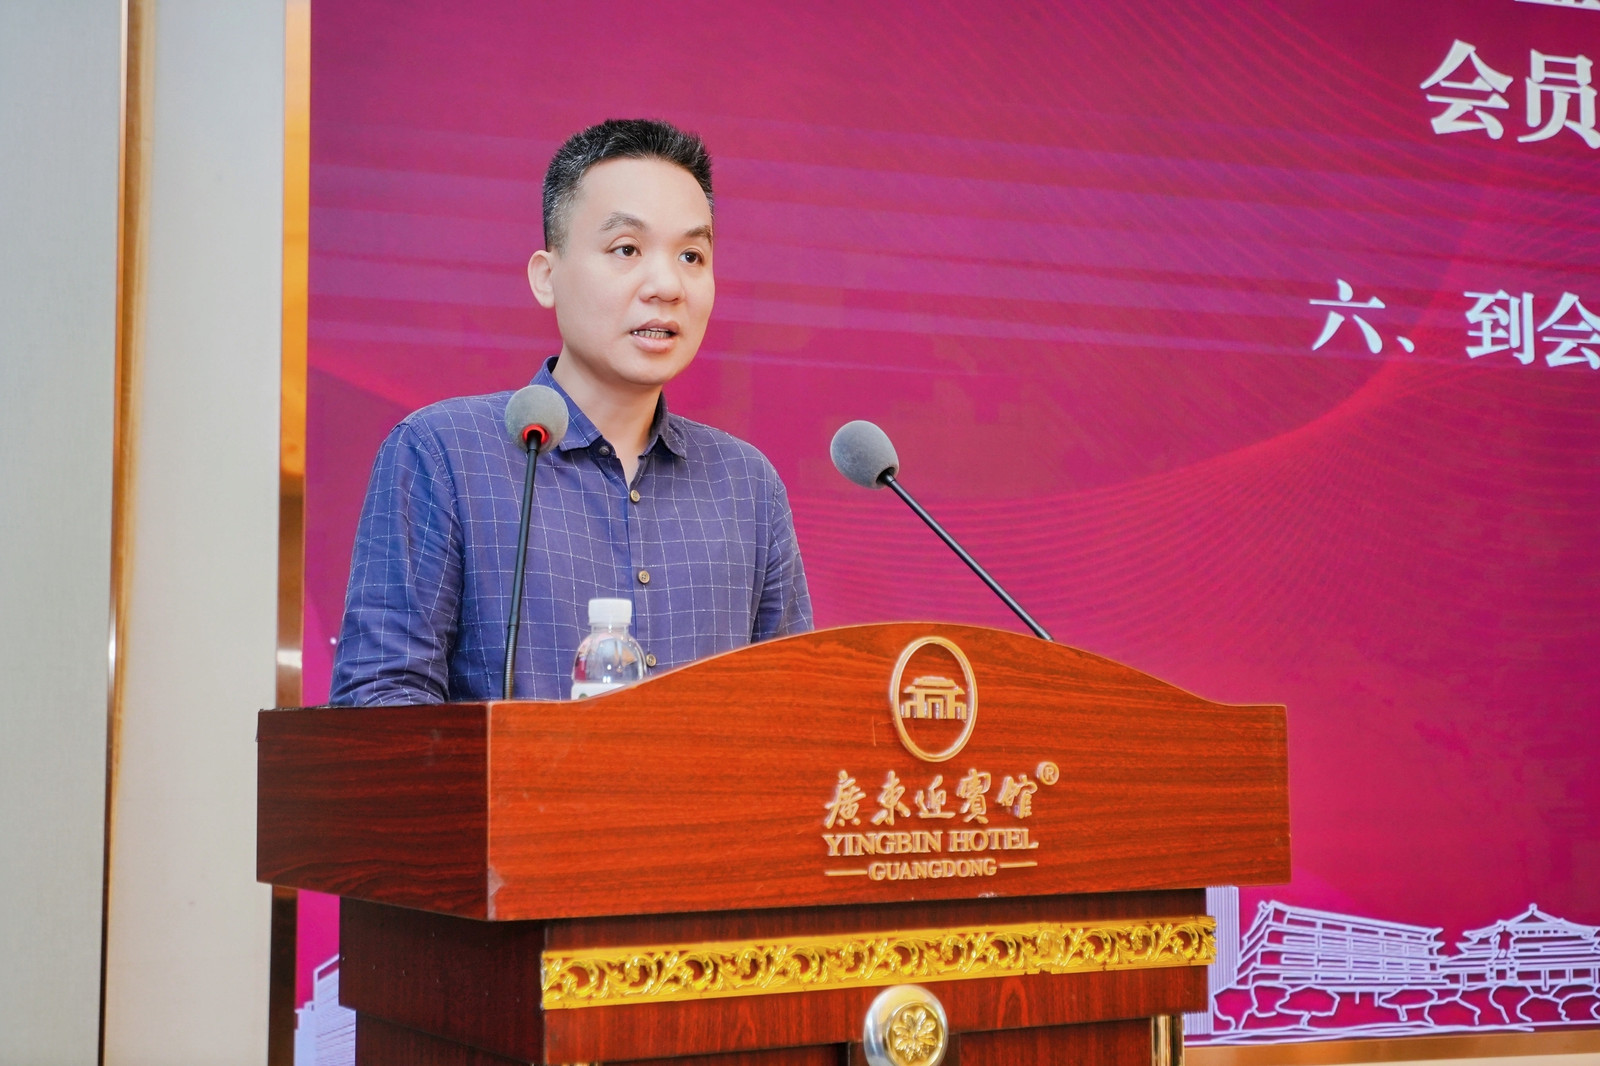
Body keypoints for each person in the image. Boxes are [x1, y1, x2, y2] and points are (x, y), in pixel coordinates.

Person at [330, 119, 812, 706]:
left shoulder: (746, 485)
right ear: (547, 276)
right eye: (627, 249)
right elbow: (380, 698)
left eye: (692, 255)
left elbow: (794, 712)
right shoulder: (444, 453)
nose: (667, 285)